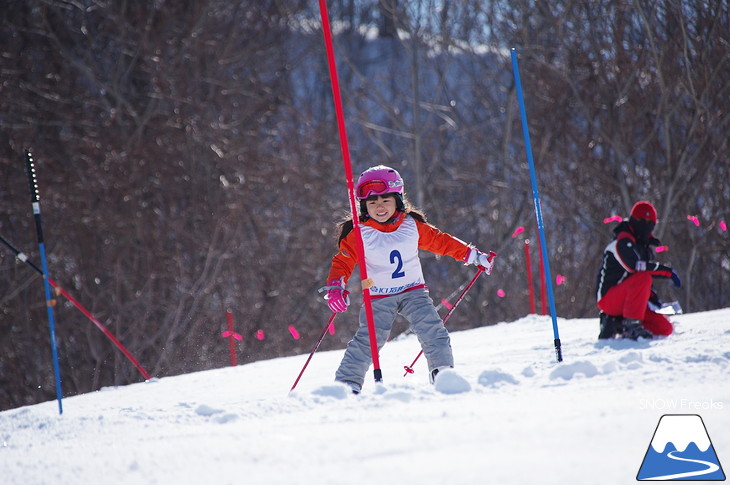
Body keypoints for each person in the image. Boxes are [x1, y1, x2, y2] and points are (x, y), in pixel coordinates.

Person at [321, 165, 494, 393]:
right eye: (372, 203)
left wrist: (474, 255)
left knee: (433, 331)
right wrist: (336, 286)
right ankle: (347, 384)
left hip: (414, 292)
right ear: (363, 207)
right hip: (378, 296)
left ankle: (443, 374)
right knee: (369, 340)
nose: (379, 207)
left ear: (398, 200)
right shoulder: (359, 234)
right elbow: (342, 262)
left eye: (385, 200)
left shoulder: (412, 226)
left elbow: (441, 242)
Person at [595, 201, 680, 339]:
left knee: (665, 328)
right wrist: (666, 271)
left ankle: (616, 323)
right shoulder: (621, 242)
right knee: (643, 277)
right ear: (633, 220)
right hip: (608, 299)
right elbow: (634, 267)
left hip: (629, 301)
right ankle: (631, 325)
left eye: (649, 223)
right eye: (641, 221)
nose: (645, 226)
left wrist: (652, 298)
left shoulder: (643, 245)